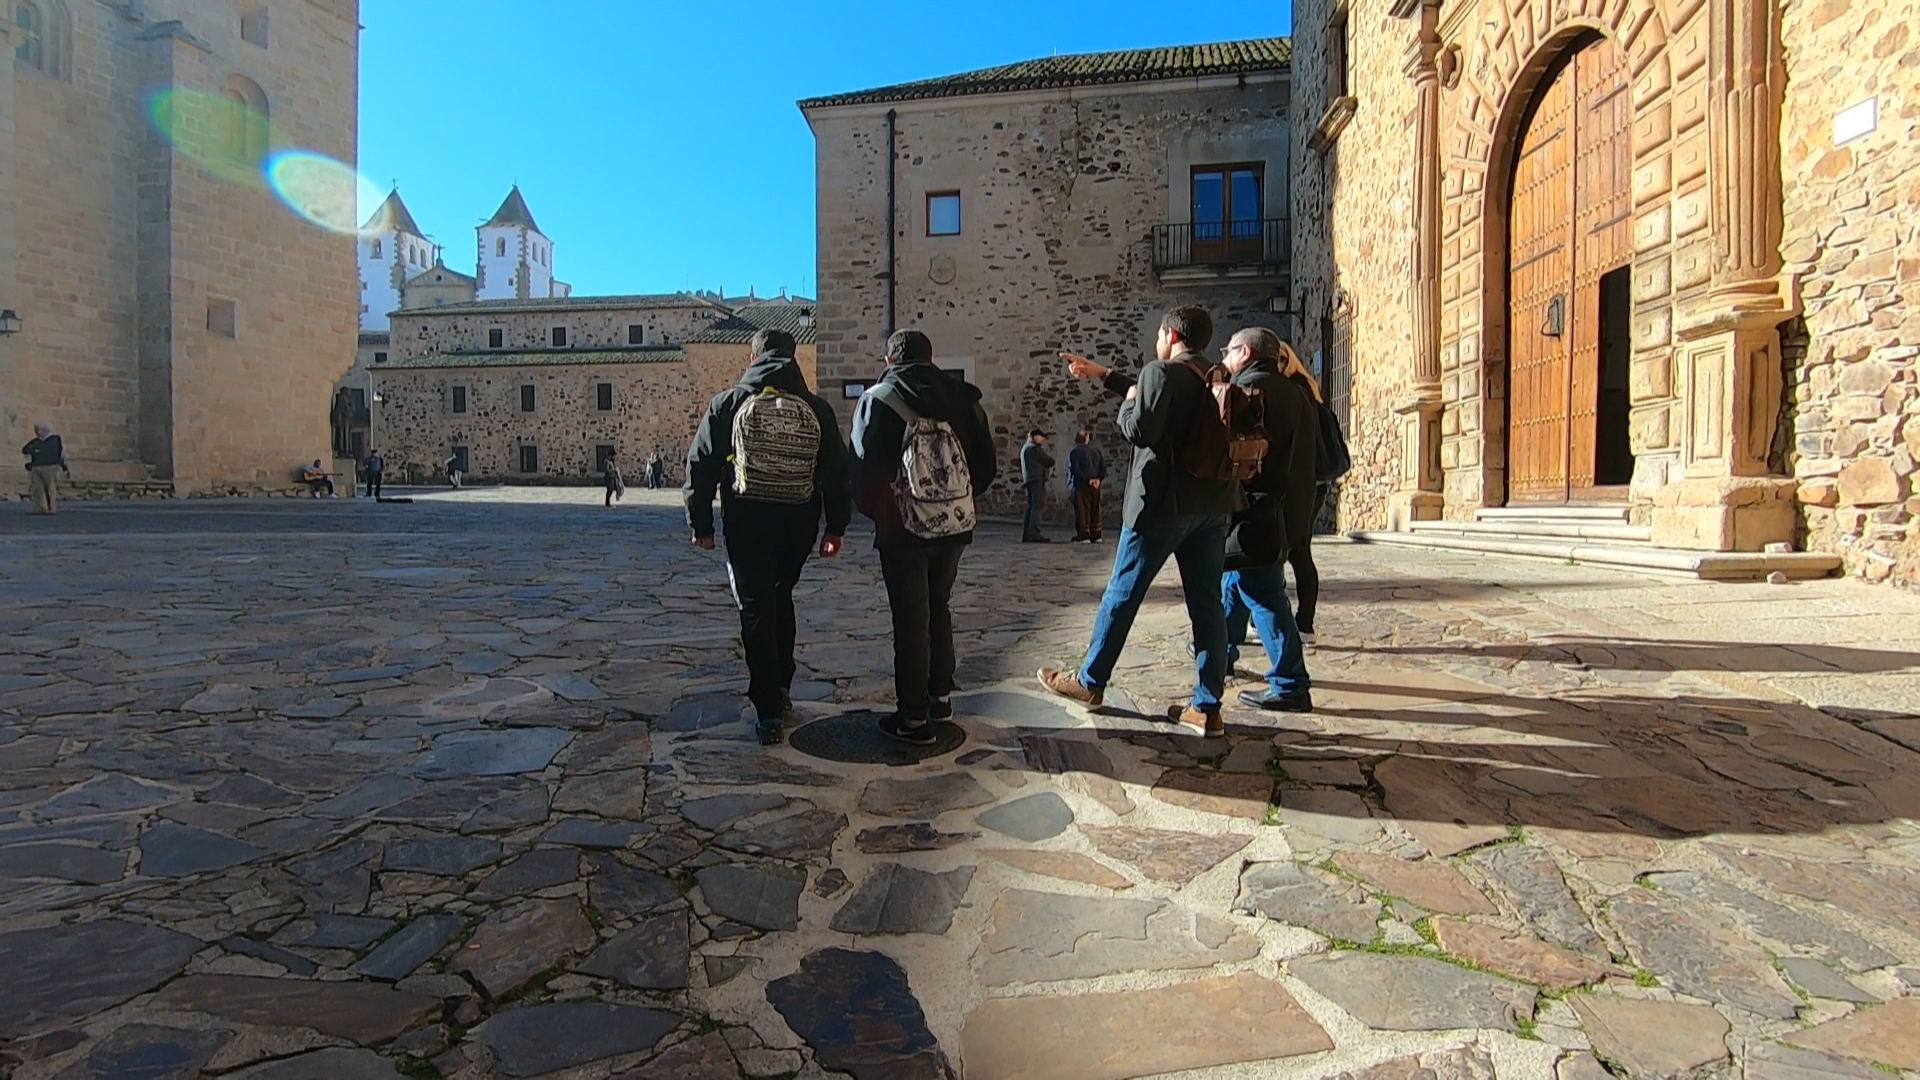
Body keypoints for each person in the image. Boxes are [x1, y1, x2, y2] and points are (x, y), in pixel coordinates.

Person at [1045, 307, 1246, 737]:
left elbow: (1142, 426)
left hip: (1161, 507)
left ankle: (1090, 682)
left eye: (1159, 333)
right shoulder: (1216, 375)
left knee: (1124, 592)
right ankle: (1207, 708)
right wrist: (1105, 374)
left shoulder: (1161, 372)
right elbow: (1159, 396)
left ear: (1170, 334)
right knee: (1207, 604)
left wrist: (1126, 408)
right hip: (1212, 505)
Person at [685, 328, 852, 746]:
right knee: (782, 596)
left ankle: (768, 711)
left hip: (747, 521)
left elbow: (700, 466)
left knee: (756, 606)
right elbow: (836, 473)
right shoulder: (816, 408)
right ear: (794, 357)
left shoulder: (727, 404)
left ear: (752, 356)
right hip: (799, 521)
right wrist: (836, 527)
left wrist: (701, 524)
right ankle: (782, 686)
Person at [851, 329, 998, 746]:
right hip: (954, 526)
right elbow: (985, 466)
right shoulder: (964, 400)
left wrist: (884, 512)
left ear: (888, 361)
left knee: (910, 619)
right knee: (939, 605)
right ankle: (939, 697)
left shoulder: (878, 400)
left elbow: (862, 471)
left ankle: (913, 720)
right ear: (931, 360)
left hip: (902, 529)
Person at [1218, 328, 1316, 711]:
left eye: (1228, 351)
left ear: (1244, 352)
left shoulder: (1244, 392)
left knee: (1262, 592)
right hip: (1289, 509)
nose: (1224, 358)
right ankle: (1219, 652)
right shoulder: (1298, 393)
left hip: (1253, 511)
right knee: (1234, 581)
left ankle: (1290, 682)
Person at [1280, 344, 1338, 641]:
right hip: (1313, 481)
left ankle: (1304, 623)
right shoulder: (1309, 388)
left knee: (1296, 550)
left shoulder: (1295, 390)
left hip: (1305, 482)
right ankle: (1299, 620)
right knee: (1298, 549)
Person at [1067, 429, 1107, 542]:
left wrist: (1088, 479)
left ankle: (1084, 534)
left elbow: (1075, 469)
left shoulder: (1075, 452)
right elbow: (1103, 467)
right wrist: (1098, 479)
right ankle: (1096, 534)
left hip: (1082, 484)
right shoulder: (1097, 451)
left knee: (1082, 510)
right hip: (1096, 485)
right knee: (1095, 508)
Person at [22, 423, 69, 516]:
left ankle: (51, 508)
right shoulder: (35, 442)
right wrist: (29, 462)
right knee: (37, 488)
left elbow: (61, 453)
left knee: (50, 488)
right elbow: (25, 450)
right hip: (36, 466)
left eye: (39, 430)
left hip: (51, 466)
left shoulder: (55, 439)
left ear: (45, 430)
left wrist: (64, 466)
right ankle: (40, 507)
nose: (38, 432)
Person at [1020, 429, 1054, 542]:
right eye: (1041, 437)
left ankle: (1027, 533)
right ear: (1035, 436)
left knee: (1031, 507)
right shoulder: (1033, 448)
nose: (1042, 440)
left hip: (1030, 480)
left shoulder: (1025, 447)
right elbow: (1049, 461)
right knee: (1037, 506)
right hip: (1037, 479)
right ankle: (1034, 533)